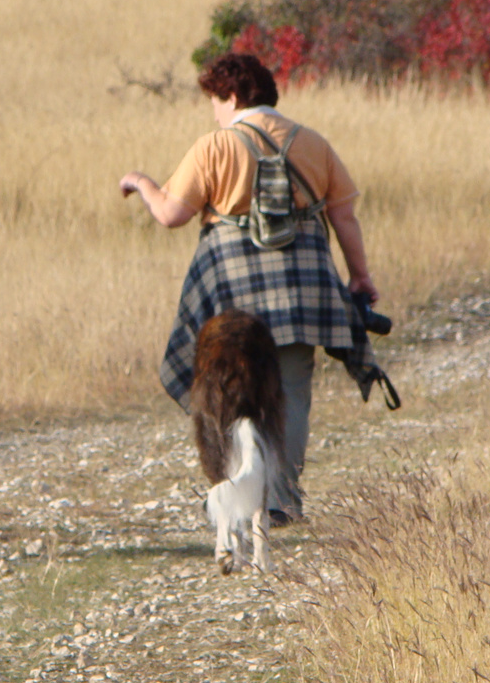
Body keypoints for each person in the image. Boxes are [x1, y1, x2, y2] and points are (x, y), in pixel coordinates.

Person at [119, 53, 384, 524]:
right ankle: (282, 502)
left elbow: (170, 215)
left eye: (216, 101)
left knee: (228, 392)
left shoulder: (214, 147)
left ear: (234, 96)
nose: (214, 112)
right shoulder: (314, 144)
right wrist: (359, 276)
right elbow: (343, 216)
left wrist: (141, 183)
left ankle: (237, 496)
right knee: (292, 392)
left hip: (231, 289)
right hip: (305, 288)